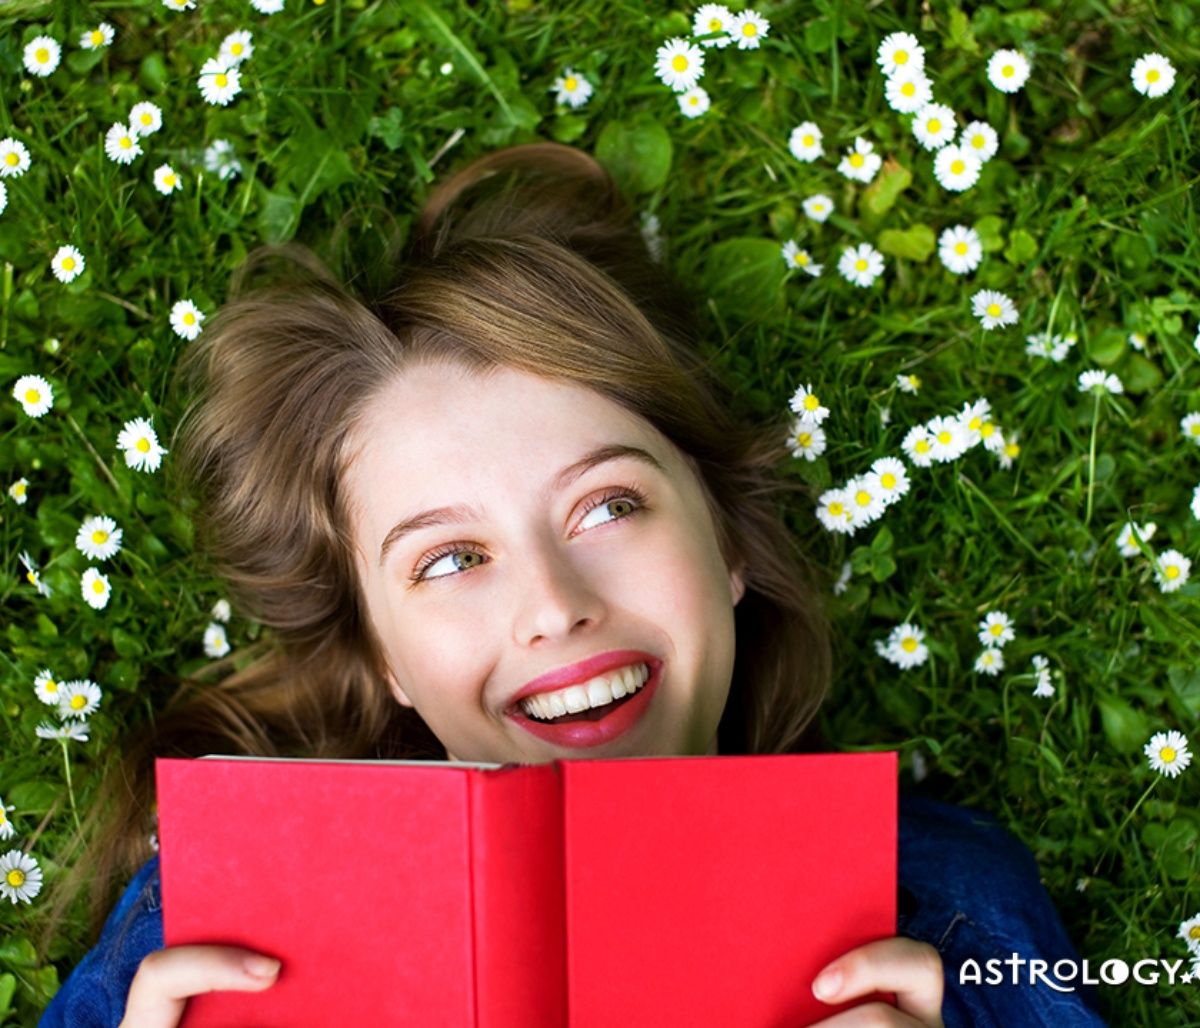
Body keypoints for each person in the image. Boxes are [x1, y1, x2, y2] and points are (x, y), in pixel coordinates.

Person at [39, 143, 1107, 1027]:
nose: (553, 603)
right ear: (384, 658)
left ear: (730, 542)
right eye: (450, 558)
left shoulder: (950, 909)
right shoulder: (196, 931)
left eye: (608, 506)